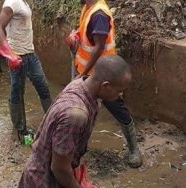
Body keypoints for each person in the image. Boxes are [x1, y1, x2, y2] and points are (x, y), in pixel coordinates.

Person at [18, 55, 132, 188]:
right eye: (119, 91)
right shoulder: (76, 115)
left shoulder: (80, 83)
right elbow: (59, 169)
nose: (121, 95)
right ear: (105, 86)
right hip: (43, 180)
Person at [65, 0, 142, 168]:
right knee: (84, 112)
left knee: (117, 109)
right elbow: (89, 37)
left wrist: (83, 74)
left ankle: (134, 149)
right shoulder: (88, 7)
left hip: (103, 76)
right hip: (88, 73)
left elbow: (99, 46)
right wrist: (76, 34)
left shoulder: (99, 14)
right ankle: (77, 149)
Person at [0, 0, 52, 140]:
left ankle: (53, 123)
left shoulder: (24, 2)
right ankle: (21, 130)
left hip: (30, 54)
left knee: (43, 87)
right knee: (17, 92)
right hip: (17, 55)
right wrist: (9, 54)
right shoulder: (12, 2)